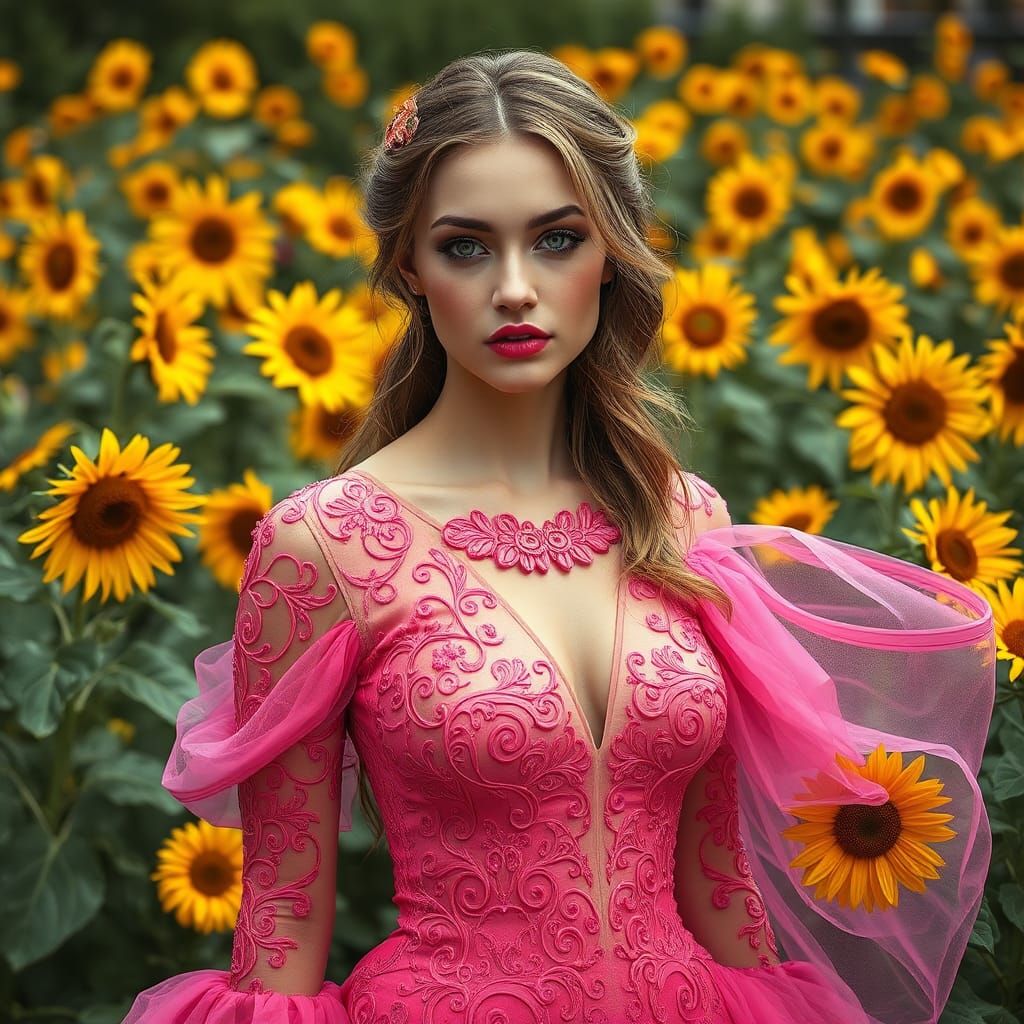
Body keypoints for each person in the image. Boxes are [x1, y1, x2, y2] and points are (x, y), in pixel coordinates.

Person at [123, 49, 994, 1024]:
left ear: (611, 251)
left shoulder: (680, 516)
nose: (513, 289)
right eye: (464, 247)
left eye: (556, 239)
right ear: (407, 265)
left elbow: (721, 891)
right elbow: (279, 939)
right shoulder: (321, 545)